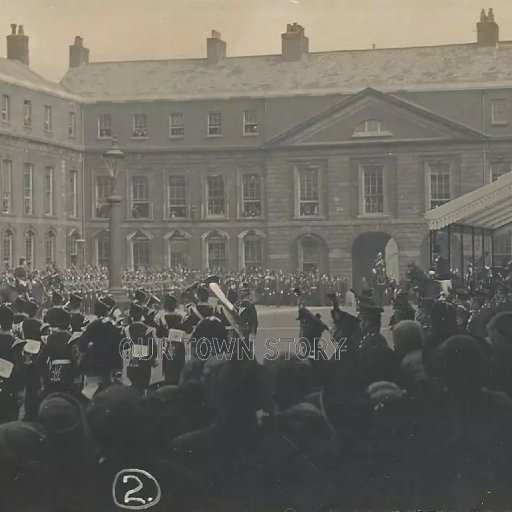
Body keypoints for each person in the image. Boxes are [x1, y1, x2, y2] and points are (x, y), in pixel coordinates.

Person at [123, 301, 158, 391]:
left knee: (135, 387)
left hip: (133, 362)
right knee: (144, 387)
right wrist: (153, 359)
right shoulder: (149, 329)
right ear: (142, 316)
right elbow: (154, 346)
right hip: (145, 363)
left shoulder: (127, 329)